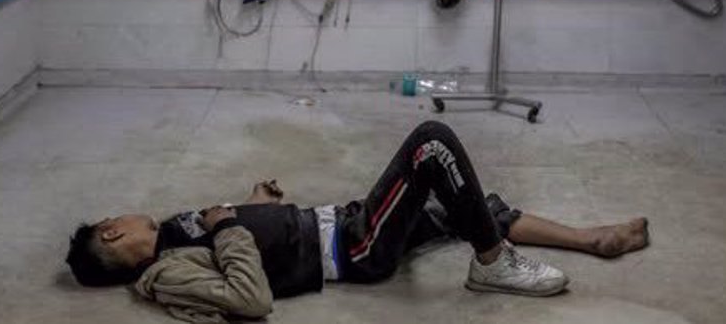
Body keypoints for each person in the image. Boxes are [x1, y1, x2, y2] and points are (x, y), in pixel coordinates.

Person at [66, 121, 649, 322]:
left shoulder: (172, 231)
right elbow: (249, 297)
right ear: (113, 233)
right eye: (116, 218)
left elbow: (238, 236)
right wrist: (227, 227)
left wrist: (251, 203)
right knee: (431, 146)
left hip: (337, 224)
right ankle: (493, 266)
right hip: (353, 248)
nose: (127, 214)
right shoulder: (164, 272)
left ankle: (591, 239)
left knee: (469, 205)